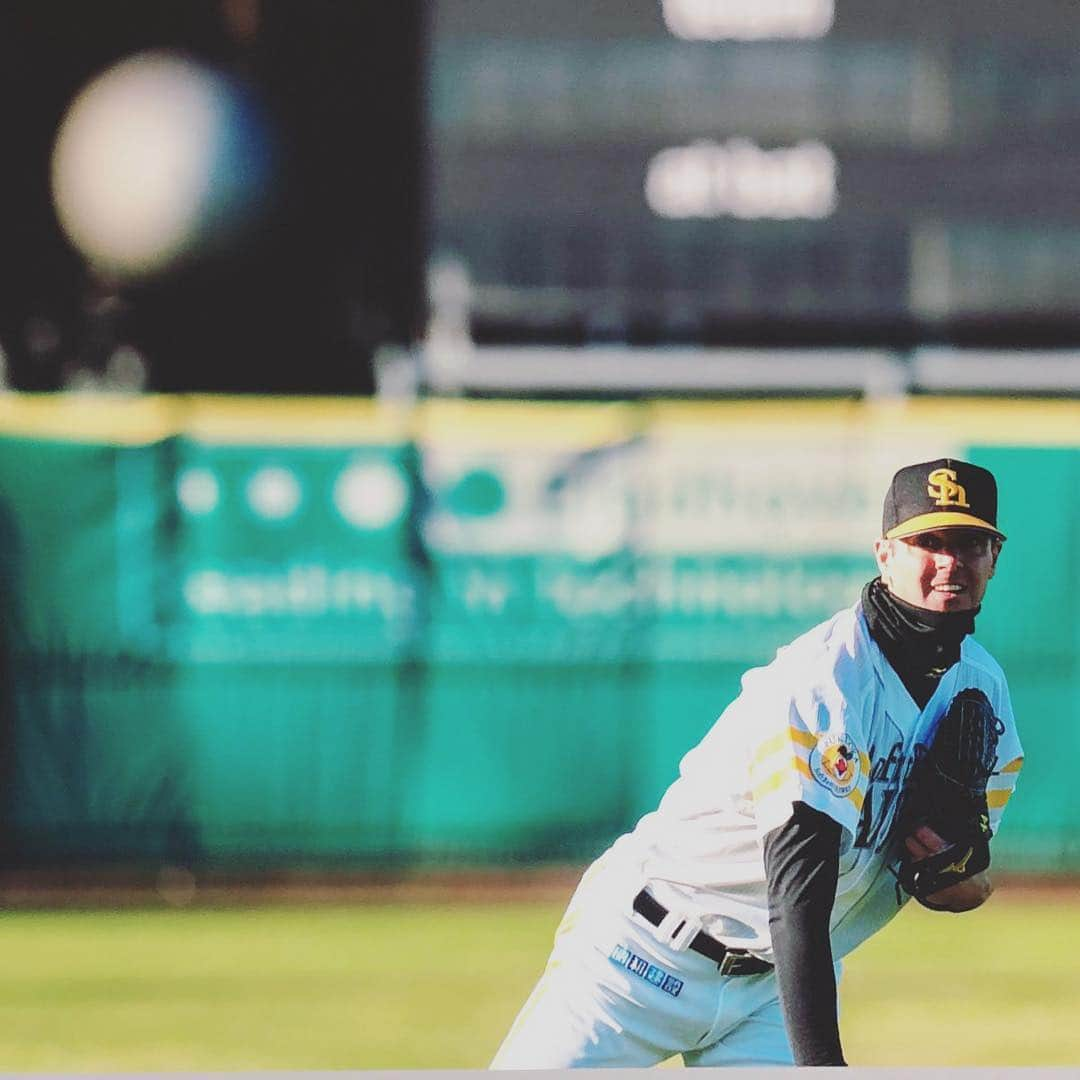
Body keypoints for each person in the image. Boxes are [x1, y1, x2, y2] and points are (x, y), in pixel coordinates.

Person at [491, 458, 1024, 1069]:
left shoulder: (983, 692)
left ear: (993, 558)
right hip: (640, 957)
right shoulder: (826, 682)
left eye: (968, 543)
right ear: (884, 554)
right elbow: (796, 899)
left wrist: (955, 867)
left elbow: (960, 884)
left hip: (772, 989)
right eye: (926, 542)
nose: (949, 562)